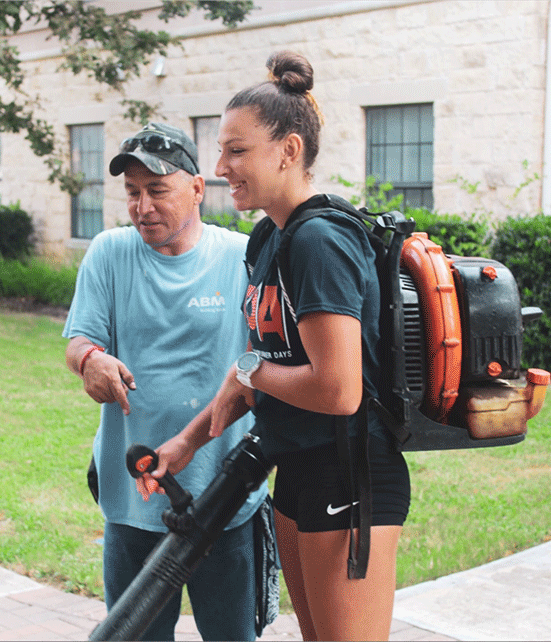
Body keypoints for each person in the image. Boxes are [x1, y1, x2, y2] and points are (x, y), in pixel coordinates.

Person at [138, 52, 411, 641]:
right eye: (220, 150)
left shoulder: (319, 241)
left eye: (236, 150)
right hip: (299, 470)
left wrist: (255, 372)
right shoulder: (269, 235)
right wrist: (187, 442)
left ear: (288, 150)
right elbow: (258, 366)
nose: (219, 166)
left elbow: (337, 391)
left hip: (351, 476)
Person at [63, 122, 268, 641]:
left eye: (157, 190)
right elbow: (80, 341)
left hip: (225, 496)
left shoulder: (243, 257)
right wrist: (92, 360)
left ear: (197, 189)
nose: (142, 206)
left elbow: (262, 365)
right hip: (134, 499)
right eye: (132, 192)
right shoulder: (109, 253)